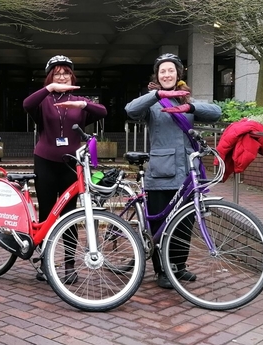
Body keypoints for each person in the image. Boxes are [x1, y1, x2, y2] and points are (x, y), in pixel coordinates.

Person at [124, 53, 222, 289]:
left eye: (171, 70)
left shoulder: (187, 101)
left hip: (188, 173)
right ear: (157, 76)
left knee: (185, 222)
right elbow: (130, 110)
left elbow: (216, 113)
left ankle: (178, 266)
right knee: (160, 224)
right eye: (162, 71)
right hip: (160, 173)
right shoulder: (152, 103)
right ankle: (162, 270)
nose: (166, 74)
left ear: (178, 73)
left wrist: (190, 106)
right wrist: (156, 94)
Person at [23, 55, 108, 284]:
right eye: (57, 72)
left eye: (66, 72)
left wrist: (83, 104)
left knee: (70, 215)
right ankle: (44, 262)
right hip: (45, 161)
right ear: (50, 76)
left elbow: (103, 112)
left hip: (71, 164)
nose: (62, 76)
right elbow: (26, 104)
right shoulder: (43, 101)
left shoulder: (79, 100)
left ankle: (69, 265)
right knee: (48, 213)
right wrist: (48, 88)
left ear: (72, 76)